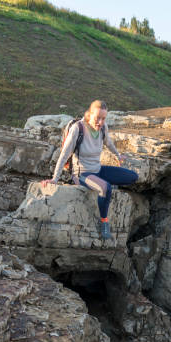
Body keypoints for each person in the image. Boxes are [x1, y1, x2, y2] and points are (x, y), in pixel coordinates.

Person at [40, 100, 138, 239]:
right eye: (97, 117)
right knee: (105, 188)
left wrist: (117, 155)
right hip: (81, 174)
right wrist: (55, 178)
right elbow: (64, 155)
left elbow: (108, 143)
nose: (100, 122)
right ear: (89, 114)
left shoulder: (103, 128)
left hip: (97, 170)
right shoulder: (78, 129)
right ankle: (104, 221)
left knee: (133, 177)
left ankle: (103, 187)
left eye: (103, 118)